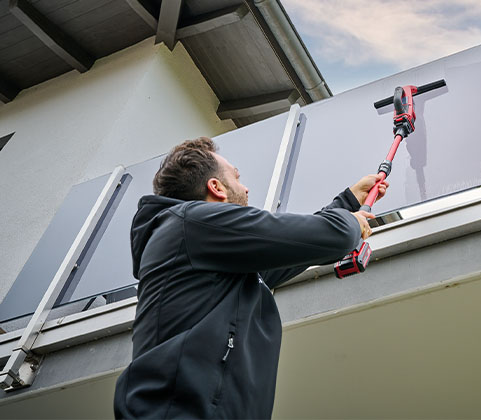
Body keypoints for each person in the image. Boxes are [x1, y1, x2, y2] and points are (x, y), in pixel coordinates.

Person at [113, 137, 387, 419]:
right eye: (236, 177)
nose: (245, 188)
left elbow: (301, 249)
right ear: (216, 188)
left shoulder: (206, 246)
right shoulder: (193, 223)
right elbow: (336, 237)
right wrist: (350, 222)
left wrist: (349, 202)